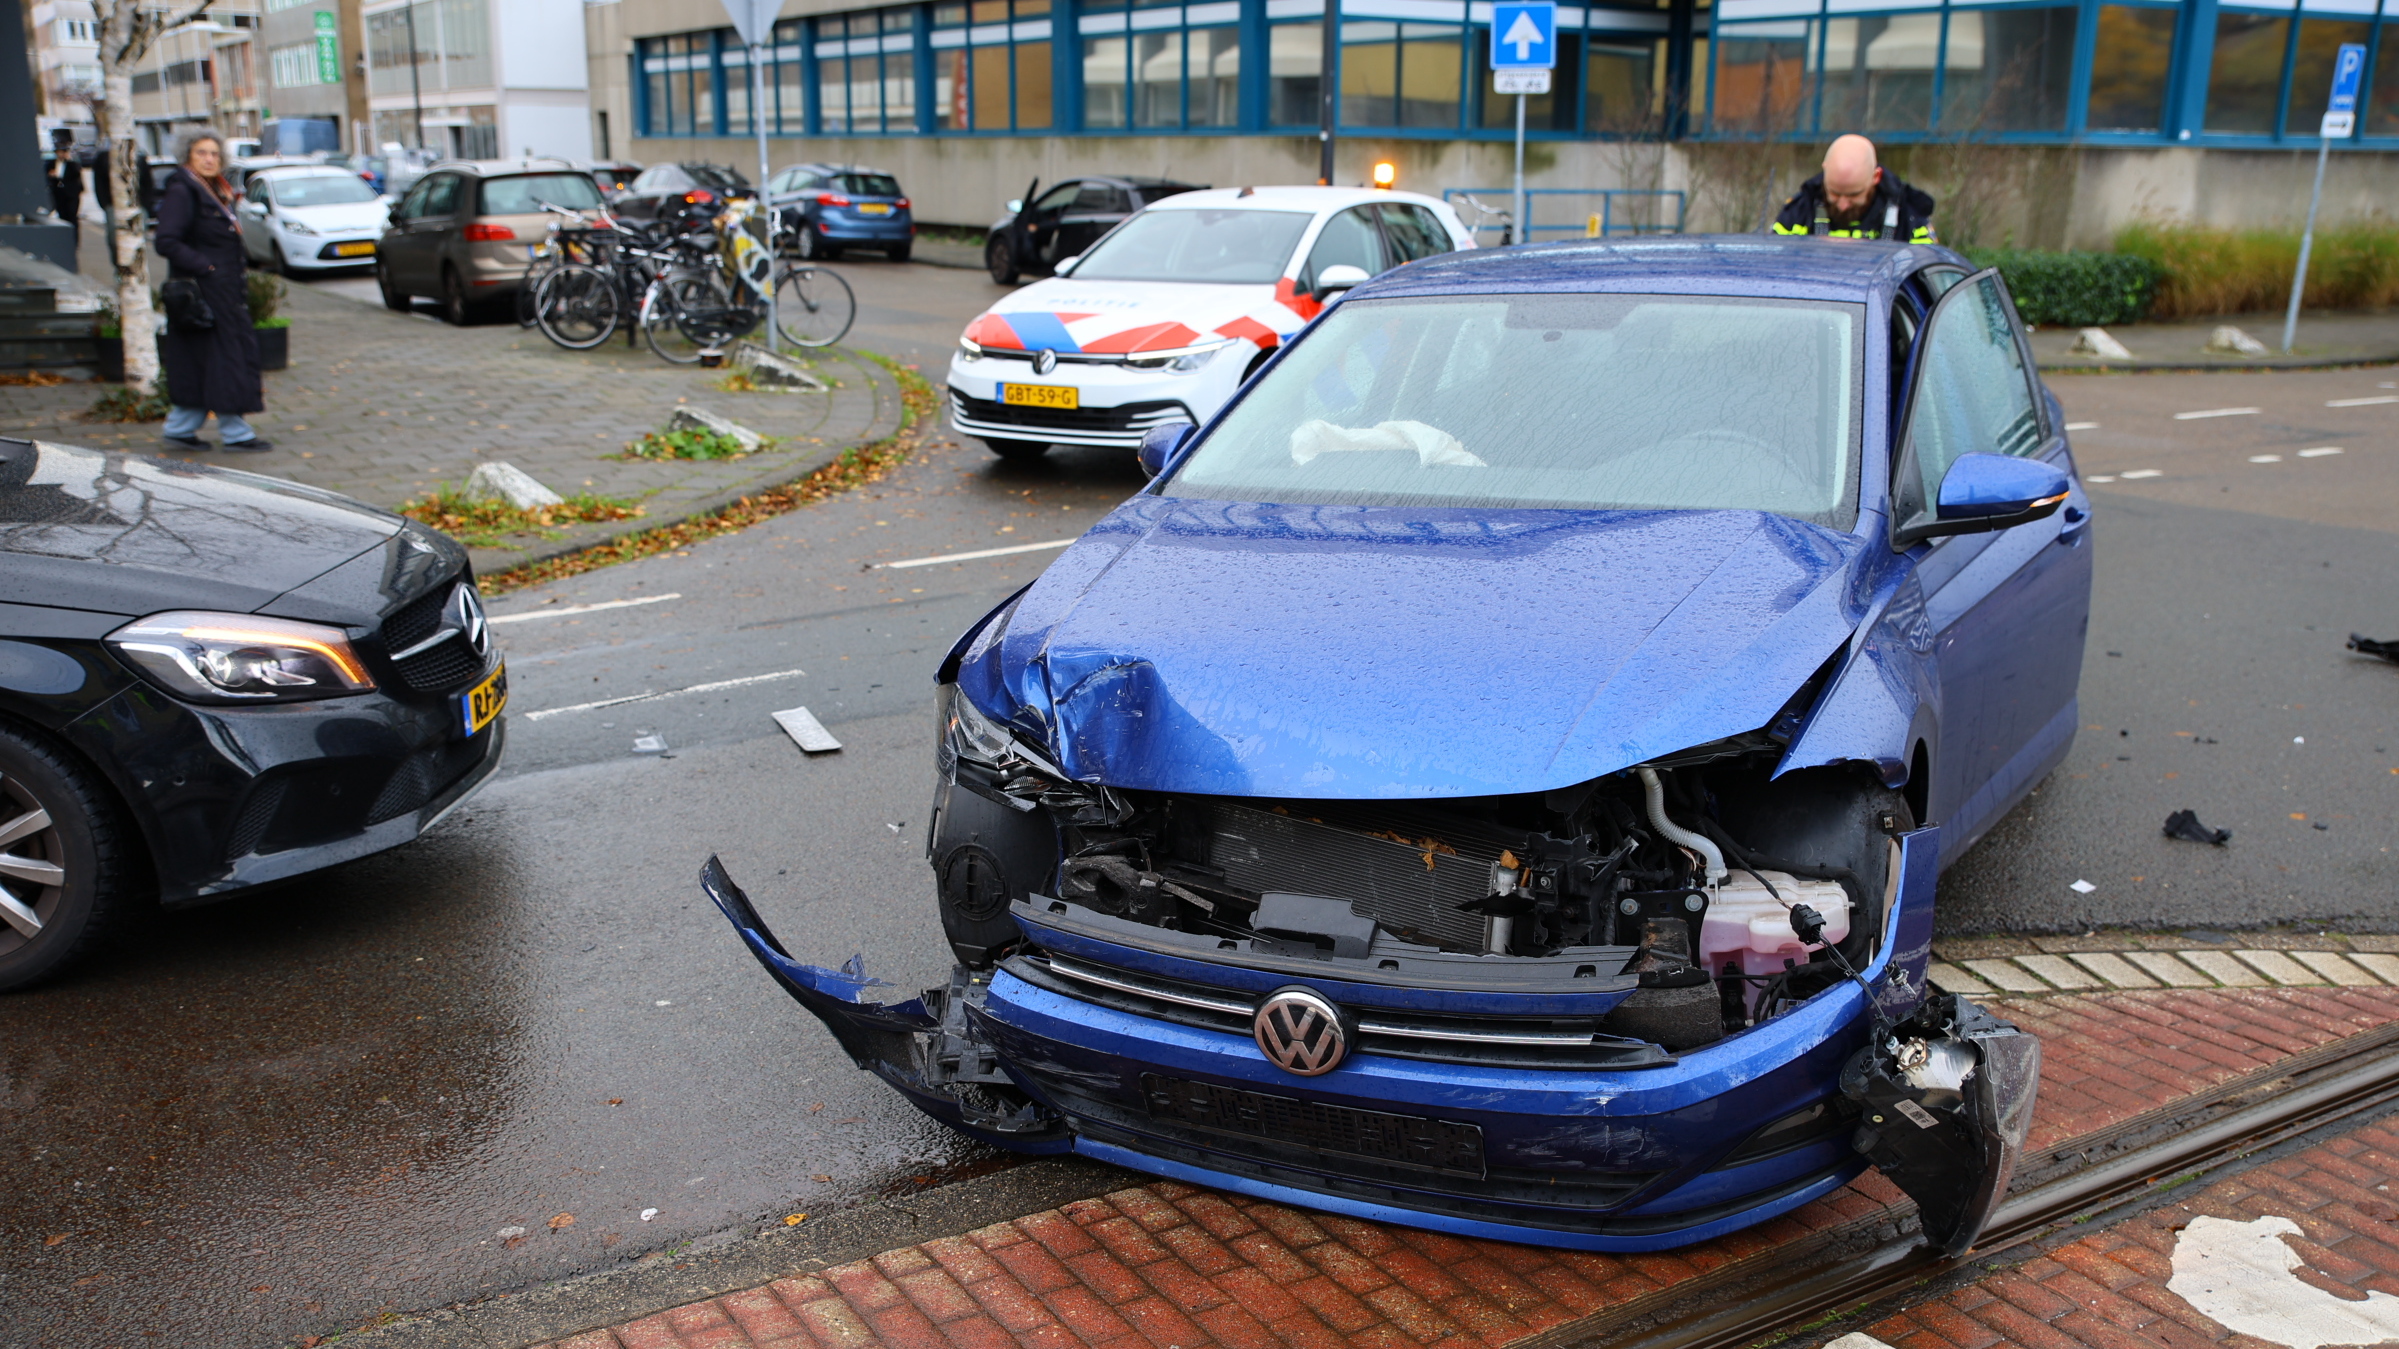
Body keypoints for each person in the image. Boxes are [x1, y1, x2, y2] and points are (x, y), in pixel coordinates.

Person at [151, 132, 270, 453]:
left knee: (204, 359)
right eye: (201, 152)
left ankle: (181, 427)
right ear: (187, 156)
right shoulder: (183, 190)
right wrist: (207, 268)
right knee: (225, 356)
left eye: (214, 154)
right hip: (205, 293)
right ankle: (236, 433)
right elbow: (166, 241)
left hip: (221, 291)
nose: (209, 159)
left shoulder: (212, 188)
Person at [1771, 134, 1936, 244]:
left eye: (1854, 195)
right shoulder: (1798, 213)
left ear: (1876, 177)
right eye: (1834, 193)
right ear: (1825, 171)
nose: (1843, 205)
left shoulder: (1909, 218)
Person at [44, 130, 83, 250]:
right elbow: (45, 174)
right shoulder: (51, 163)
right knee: (62, 216)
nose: (60, 154)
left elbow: (77, 174)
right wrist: (51, 176)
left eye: (62, 152)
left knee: (72, 217)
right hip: (58, 193)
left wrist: (70, 159)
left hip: (71, 193)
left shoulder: (71, 164)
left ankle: (74, 241)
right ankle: (64, 241)